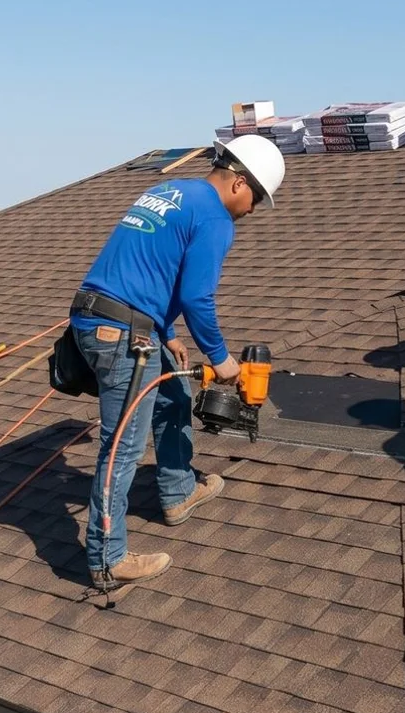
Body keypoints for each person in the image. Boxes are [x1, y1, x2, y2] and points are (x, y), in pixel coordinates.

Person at [71, 135, 286, 593]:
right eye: (256, 199)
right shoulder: (214, 216)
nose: (251, 212)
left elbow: (149, 266)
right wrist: (222, 359)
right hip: (121, 333)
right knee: (123, 448)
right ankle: (106, 560)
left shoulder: (170, 192)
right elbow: (196, 296)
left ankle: (177, 490)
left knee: (173, 391)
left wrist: (168, 335)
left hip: (105, 318)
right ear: (239, 182)